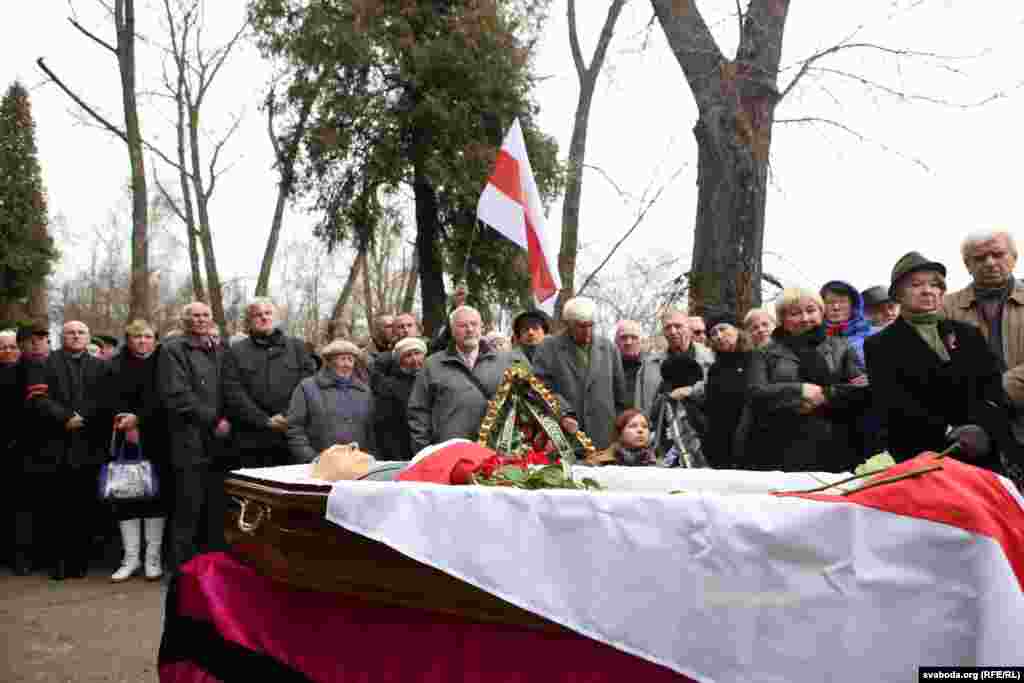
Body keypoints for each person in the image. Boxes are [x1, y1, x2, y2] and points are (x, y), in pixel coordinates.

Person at [868, 252, 1022, 478]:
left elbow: (992, 389)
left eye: (934, 284)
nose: (928, 290)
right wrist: (951, 433)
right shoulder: (880, 345)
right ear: (898, 294)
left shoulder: (968, 334)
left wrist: (985, 431)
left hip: (986, 453)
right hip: (928, 459)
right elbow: (892, 405)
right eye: (916, 285)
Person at [736, 288, 868, 472]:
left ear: (821, 312)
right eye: (795, 313)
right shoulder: (764, 353)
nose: (805, 318)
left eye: (811, 310)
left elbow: (862, 386)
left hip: (834, 441)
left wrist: (827, 394)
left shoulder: (841, 347)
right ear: (782, 319)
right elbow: (755, 392)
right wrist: (799, 391)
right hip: (777, 445)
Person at [24, 321, 113, 580]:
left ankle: (79, 561)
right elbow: (37, 398)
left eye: (81, 332)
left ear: (88, 337)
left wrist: (83, 417)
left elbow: (107, 399)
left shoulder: (101, 366)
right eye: (70, 333)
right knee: (55, 506)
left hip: (89, 443)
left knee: (84, 506)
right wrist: (64, 417)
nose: (76, 336)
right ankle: (57, 563)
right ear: (61, 337)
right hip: (54, 444)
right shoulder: (44, 363)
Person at [159, 302, 231, 568]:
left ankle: (212, 566)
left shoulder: (219, 349)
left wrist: (227, 418)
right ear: (185, 319)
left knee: (215, 505)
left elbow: (228, 387)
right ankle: (182, 568)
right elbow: (177, 395)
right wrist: (213, 419)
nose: (200, 320)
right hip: (189, 437)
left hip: (220, 440)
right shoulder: (172, 349)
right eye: (195, 315)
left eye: (205, 315)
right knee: (188, 505)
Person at [943, 231, 1024, 461]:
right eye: (979, 258)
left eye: (998, 254)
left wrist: (999, 390)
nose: (989, 262)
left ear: (1014, 257)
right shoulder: (946, 307)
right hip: (974, 431)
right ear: (967, 265)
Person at [407, 306, 523, 454]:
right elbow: (418, 411)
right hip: (449, 453)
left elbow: (520, 406)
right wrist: (425, 452)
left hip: (495, 453)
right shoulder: (432, 365)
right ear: (452, 330)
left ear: (481, 328)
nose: (469, 329)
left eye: (474, 324)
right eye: (462, 325)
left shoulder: (504, 362)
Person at [106, 320, 169, 581]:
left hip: (159, 439)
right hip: (125, 440)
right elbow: (108, 397)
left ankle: (153, 559)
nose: (142, 341)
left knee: (155, 498)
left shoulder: (165, 362)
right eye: (136, 336)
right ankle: (131, 559)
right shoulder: (115, 365)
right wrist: (126, 421)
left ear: (155, 339)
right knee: (126, 498)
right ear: (128, 339)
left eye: (147, 336)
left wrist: (139, 419)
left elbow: (166, 396)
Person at [223, 299, 316, 468]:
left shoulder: (297, 347)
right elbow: (233, 391)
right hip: (251, 438)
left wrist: (287, 415)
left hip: (292, 436)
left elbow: (307, 384)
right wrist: (263, 419)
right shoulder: (235, 351)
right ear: (249, 321)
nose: (264, 317)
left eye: (268, 313)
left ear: (276, 316)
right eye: (257, 315)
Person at [532, 297, 626, 451]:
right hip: (566, 437)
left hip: (604, 439)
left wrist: (620, 432)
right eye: (581, 326)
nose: (588, 331)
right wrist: (563, 414)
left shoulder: (609, 348)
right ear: (568, 324)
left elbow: (620, 396)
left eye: (591, 325)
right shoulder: (549, 348)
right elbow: (541, 388)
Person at [287, 340, 375, 463]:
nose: (347, 364)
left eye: (350, 360)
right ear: (328, 362)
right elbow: (295, 428)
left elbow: (370, 432)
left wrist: (369, 459)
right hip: (318, 464)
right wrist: (311, 458)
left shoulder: (364, 391)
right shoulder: (307, 388)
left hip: (356, 463)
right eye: (342, 359)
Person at [635, 308, 714, 422]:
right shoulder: (649, 365)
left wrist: (691, 391)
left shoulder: (711, 358)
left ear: (689, 328)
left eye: (678, 326)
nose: (672, 332)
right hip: (661, 428)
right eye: (667, 327)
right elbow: (640, 407)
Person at [702, 316, 754, 469]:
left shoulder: (754, 359)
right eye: (713, 333)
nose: (718, 336)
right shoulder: (714, 369)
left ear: (737, 330)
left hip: (749, 437)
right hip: (720, 443)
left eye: (723, 329)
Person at [373, 337, 427, 461]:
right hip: (404, 453)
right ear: (400, 361)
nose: (414, 359)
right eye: (408, 355)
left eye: (417, 353)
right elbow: (386, 428)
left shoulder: (432, 381)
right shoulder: (389, 387)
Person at [1, 330, 25, 573]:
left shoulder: (30, 371)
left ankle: (21, 556)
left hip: (26, 448)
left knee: (22, 506)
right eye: (3, 347)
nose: (8, 351)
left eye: (12, 347)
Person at [820, 280, 873, 368]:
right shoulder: (813, 338)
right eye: (829, 302)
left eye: (842, 302)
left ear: (853, 305)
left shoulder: (874, 337)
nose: (836, 307)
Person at [585, 409, 657, 467]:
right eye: (633, 426)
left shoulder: (656, 465)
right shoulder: (597, 463)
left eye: (645, 426)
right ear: (620, 433)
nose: (640, 430)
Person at [614, 320, 644, 409]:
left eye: (634, 337)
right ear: (616, 341)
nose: (628, 342)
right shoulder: (607, 367)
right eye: (623, 337)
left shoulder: (653, 367)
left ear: (641, 341)